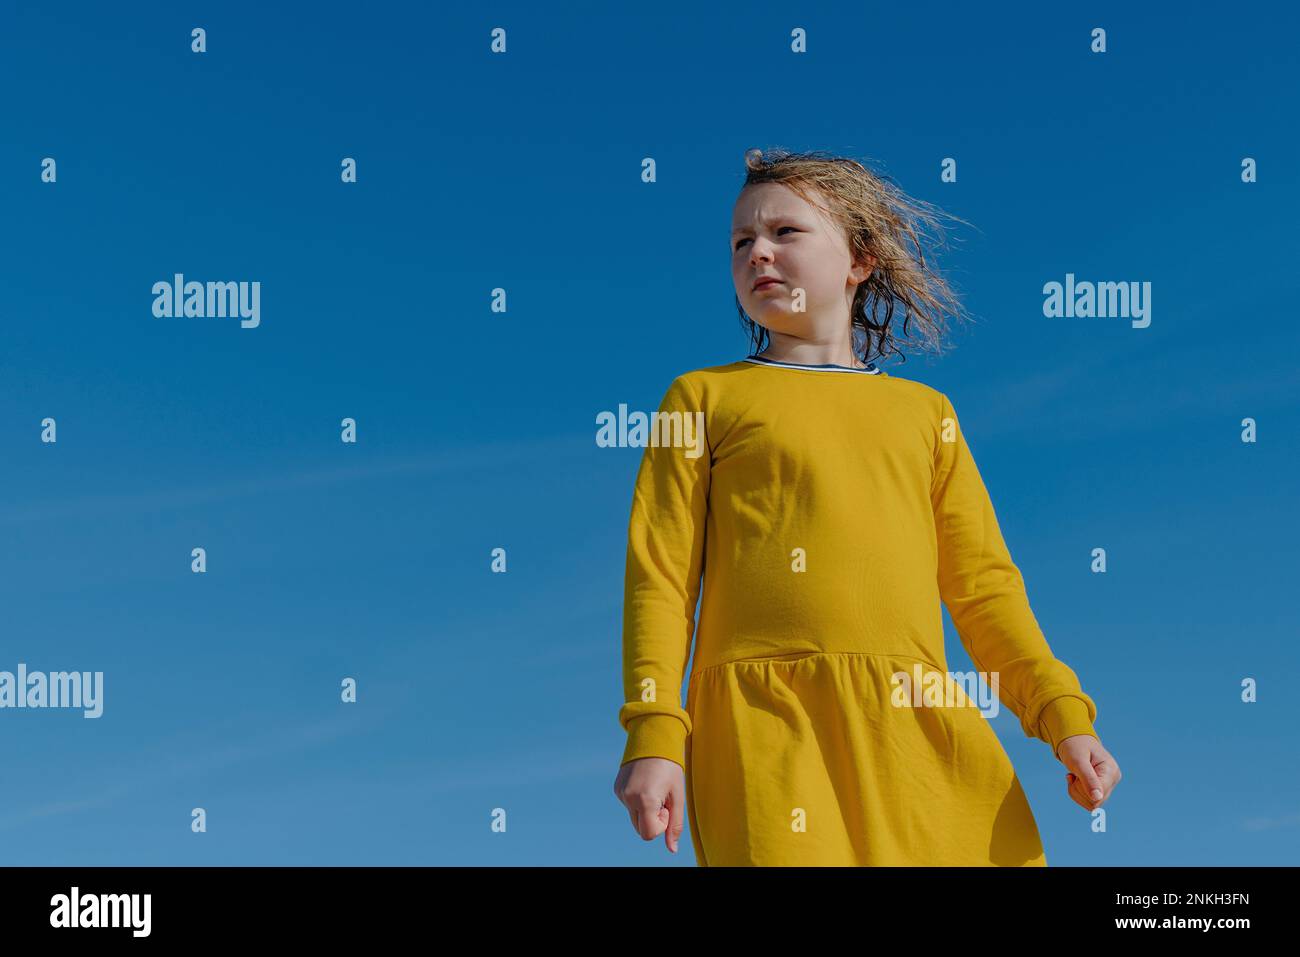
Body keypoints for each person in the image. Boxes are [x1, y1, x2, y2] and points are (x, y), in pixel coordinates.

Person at [611, 147, 1122, 865]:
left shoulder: (925, 413)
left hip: (918, 729)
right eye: (740, 242)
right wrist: (656, 730)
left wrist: (1062, 715)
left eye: (785, 233)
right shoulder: (702, 398)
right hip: (764, 729)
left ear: (860, 259)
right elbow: (658, 578)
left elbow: (984, 590)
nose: (757, 252)